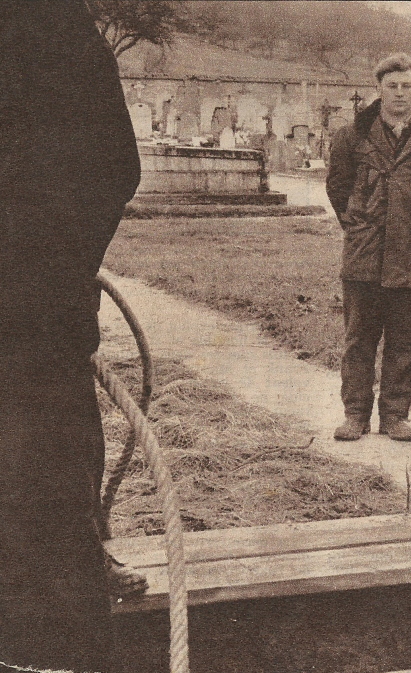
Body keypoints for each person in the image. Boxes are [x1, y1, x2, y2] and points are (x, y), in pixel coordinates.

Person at [0, 2, 141, 671]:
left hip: (34, 319)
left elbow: (112, 168)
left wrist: (45, 270)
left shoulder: (53, 30)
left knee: (46, 495)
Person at [326, 53, 411, 442]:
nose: (399, 94)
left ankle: (395, 416)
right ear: (379, 90)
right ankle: (355, 414)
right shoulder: (353, 135)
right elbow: (338, 187)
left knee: (404, 340)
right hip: (365, 252)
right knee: (358, 338)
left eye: (407, 86)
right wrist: (356, 224)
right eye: (392, 86)